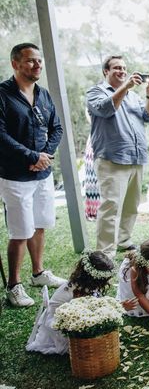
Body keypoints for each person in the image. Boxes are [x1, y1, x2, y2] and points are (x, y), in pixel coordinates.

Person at [0, 43, 65, 308]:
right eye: (30, 61)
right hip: (15, 175)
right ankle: (13, 285)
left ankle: (38, 273)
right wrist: (31, 156)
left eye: (39, 60)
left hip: (43, 173)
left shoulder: (44, 94)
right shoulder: (3, 94)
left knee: (40, 224)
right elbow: (0, 135)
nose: (37, 65)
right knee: (20, 231)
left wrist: (44, 156)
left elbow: (56, 128)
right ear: (15, 64)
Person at [86, 55, 149, 258]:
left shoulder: (134, 96)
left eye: (124, 68)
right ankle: (105, 251)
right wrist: (125, 87)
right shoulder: (96, 92)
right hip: (112, 157)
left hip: (136, 157)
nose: (122, 71)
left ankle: (124, 240)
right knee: (111, 206)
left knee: (131, 205)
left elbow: (148, 117)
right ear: (105, 71)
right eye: (116, 67)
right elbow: (105, 109)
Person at [27, 250, 137, 354]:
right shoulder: (72, 292)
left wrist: (118, 306)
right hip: (61, 323)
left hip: (81, 315)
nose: (106, 283)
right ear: (93, 278)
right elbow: (86, 312)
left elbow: (95, 305)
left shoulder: (87, 284)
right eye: (104, 280)